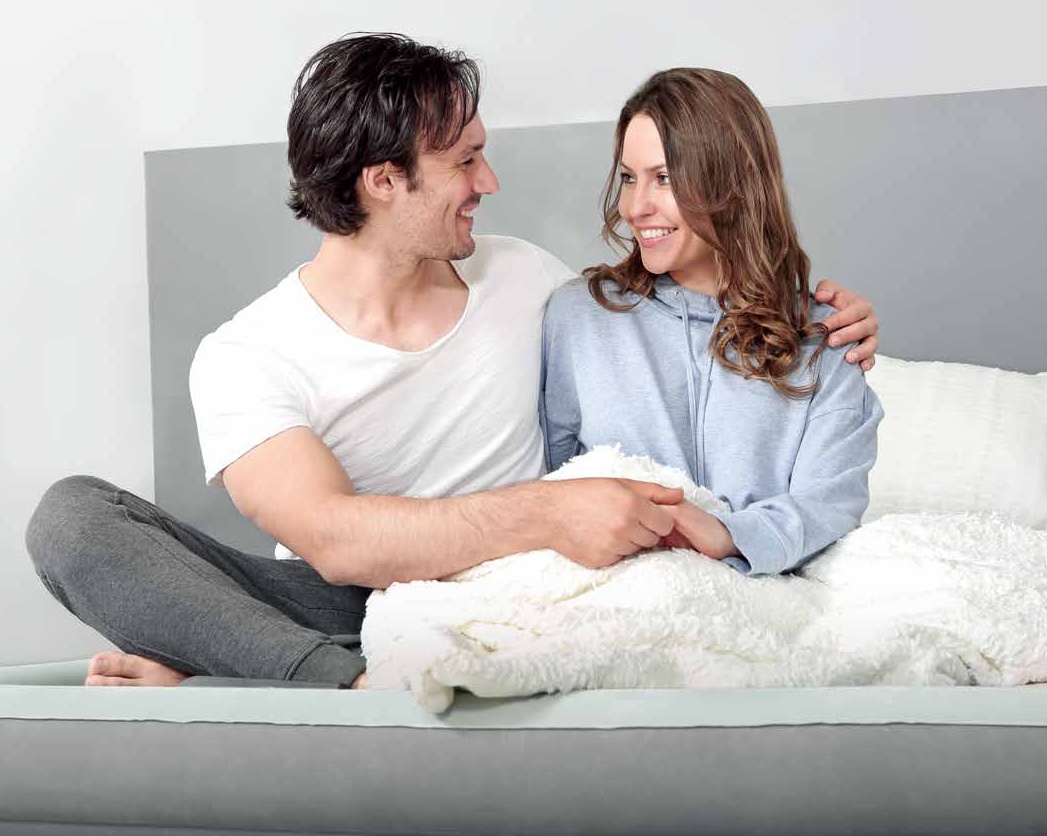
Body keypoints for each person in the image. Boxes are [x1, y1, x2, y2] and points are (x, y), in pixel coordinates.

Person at [25, 35, 879, 690]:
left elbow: (679, 326)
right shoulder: (247, 355)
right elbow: (334, 542)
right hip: (343, 604)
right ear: (382, 181)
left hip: (519, 590)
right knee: (72, 520)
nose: (489, 180)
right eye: (464, 159)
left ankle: (237, 668)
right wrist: (546, 513)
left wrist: (824, 320)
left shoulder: (532, 282)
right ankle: (348, 683)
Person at [541, 68, 884, 578]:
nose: (635, 207)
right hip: (615, 591)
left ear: (732, 183)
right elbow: (550, 485)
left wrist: (726, 534)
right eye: (629, 178)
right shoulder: (581, 316)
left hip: (760, 597)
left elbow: (830, 503)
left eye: (664, 178)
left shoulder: (826, 338)